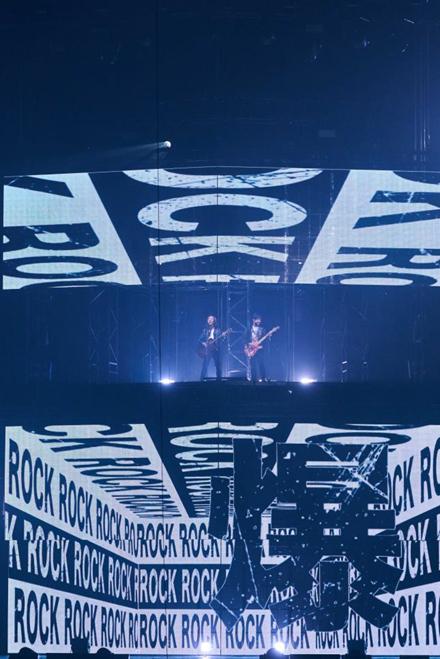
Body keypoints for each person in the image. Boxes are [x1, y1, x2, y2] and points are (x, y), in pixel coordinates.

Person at [199, 315, 223, 380]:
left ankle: (219, 380)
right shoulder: (205, 330)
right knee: (205, 365)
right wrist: (203, 343)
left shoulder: (218, 330)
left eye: (211, 319)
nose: (209, 320)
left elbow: (221, 340)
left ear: (214, 321)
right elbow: (199, 339)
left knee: (218, 365)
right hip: (208, 350)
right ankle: (201, 380)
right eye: (208, 319)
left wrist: (224, 336)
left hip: (215, 349)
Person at [246, 314, 267, 382]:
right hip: (252, 349)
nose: (259, 321)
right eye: (257, 319)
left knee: (261, 363)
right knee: (252, 365)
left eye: (260, 320)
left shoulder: (262, 329)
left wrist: (269, 337)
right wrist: (249, 345)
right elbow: (245, 339)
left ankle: (263, 378)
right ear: (253, 320)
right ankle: (253, 379)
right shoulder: (249, 330)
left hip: (260, 349)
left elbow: (265, 340)